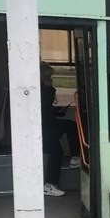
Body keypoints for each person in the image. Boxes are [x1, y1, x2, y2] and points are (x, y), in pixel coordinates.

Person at [40, 62, 80, 197]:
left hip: (47, 123)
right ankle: (49, 184)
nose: (51, 80)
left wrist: (57, 111)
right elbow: (44, 108)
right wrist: (49, 87)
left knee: (71, 125)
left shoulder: (43, 89)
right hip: (44, 127)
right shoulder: (44, 89)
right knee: (57, 151)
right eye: (50, 77)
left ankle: (75, 158)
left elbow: (46, 109)